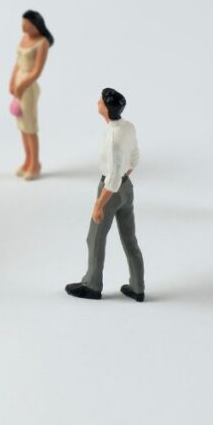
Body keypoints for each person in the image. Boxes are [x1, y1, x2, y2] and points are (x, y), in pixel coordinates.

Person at [66, 88, 145, 302]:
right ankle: (138, 286)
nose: (97, 103)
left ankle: (92, 285)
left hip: (110, 191)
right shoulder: (128, 127)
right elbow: (135, 157)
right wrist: (123, 177)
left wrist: (99, 204)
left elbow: (111, 178)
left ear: (107, 109)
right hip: (127, 188)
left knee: (95, 238)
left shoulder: (113, 139)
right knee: (129, 239)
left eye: (100, 101)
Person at [9, 10, 53, 180]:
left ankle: (35, 164)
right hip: (19, 82)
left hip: (28, 87)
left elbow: (36, 72)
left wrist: (21, 86)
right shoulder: (24, 39)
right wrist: (12, 82)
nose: (23, 27)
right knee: (22, 126)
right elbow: (17, 63)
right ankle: (27, 160)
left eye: (27, 24)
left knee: (30, 126)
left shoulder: (42, 43)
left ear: (36, 25)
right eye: (22, 23)